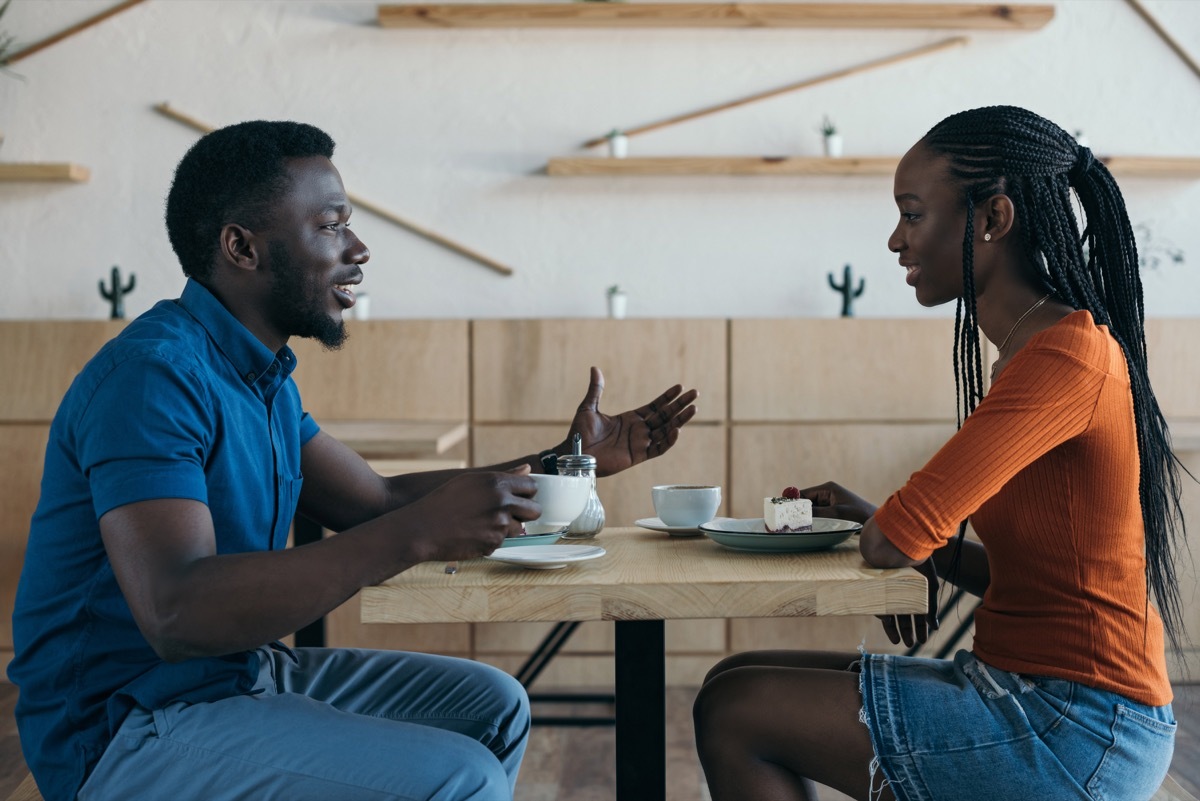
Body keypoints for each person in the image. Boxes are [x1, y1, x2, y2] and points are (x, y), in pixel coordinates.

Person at [7, 120, 699, 801]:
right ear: (241, 247)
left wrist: (567, 463)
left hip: (234, 677)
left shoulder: (261, 375)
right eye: (331, 226)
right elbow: (177, 612)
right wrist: (419, 533)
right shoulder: (153, 376)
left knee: (494, 705)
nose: (358, 248)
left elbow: (379, 501)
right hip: (124, 727)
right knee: (462, 778)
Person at [692, 105, 1185, 801]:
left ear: (992, 220)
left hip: (1081, 726)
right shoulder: (1034, 351)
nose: (895, 240)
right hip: (1038, 693)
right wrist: (888, 526)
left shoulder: (1066, 357)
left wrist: (892, 532)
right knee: (730, 679)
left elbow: (891, 541)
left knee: (735, 712)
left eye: (913, 214)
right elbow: (1017, 576)